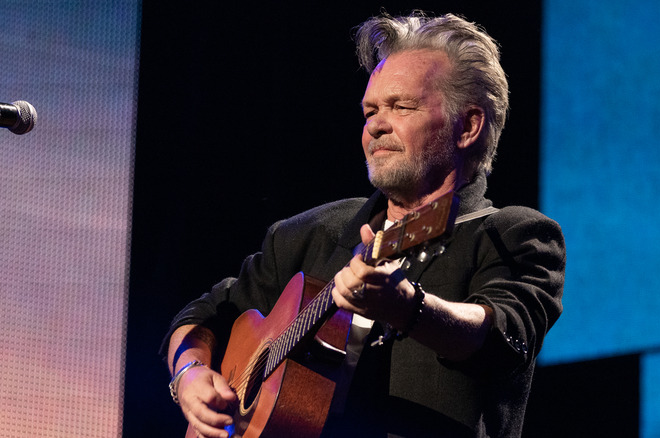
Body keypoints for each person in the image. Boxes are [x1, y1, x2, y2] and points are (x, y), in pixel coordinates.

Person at [162, 11, 565, 438]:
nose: (375, 125)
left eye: (401, 106)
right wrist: (188, 373)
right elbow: (206, 313)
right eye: (370, 110)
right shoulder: (308, 234)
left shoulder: (514, 236)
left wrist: (408, 307)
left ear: (467, 126)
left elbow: (503, 339)